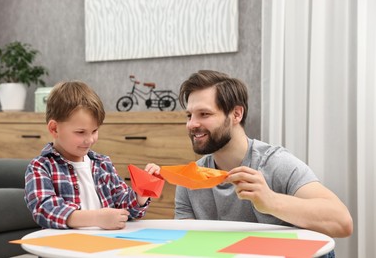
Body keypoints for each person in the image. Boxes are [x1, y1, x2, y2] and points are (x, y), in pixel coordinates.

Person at [174, 70, 353, 239]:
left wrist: (271, 201)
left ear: (236, 114)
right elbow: (190, 242)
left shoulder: (275, 164)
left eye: (204, 114)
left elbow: (342, 222)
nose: (192, 124)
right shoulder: (189, 180)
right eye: (189, 116)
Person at [24, 81, 159, 230]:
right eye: (80, 132)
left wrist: (142, 191)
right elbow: (44, 210)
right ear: (55, 129)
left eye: (94, 131)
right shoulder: (41, 167)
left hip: (104, 246)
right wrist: (96, 218)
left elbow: (128, 208)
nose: (90, 140)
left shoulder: (103, 164)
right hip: (63, 248)